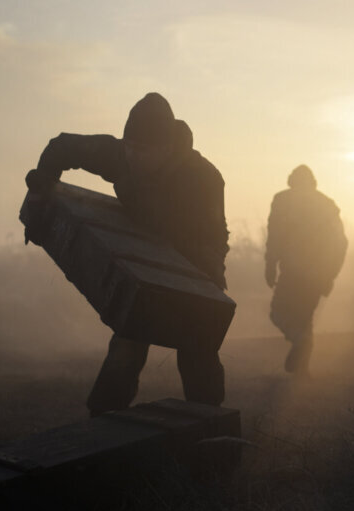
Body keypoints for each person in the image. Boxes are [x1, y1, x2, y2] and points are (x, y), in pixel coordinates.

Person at [24, 92, 229, 416]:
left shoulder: (202, 178)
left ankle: (212, 433)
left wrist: (203, 282)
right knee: (128, 339)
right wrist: (40, 195)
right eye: (129, 146)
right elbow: (61, 147)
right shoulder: (121, 154)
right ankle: (102, 422)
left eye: (142, 150)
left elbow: (209, 239)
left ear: (166, 148)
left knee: (197, 351)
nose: (132, 156)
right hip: (142, 259)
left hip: (196, 265)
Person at [265, 165, 348, 373]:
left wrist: (270, 264)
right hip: (317, 274)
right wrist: (330, 274)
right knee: (305, 318)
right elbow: (341, 243)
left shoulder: (283, 200)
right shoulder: (327, 204)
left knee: (278, 313)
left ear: (291, 180)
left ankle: (298, 341)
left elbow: (274, 235)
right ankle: (302, 366)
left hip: (293, 271)